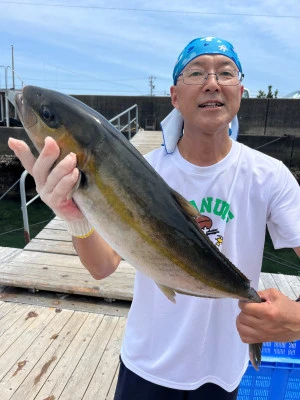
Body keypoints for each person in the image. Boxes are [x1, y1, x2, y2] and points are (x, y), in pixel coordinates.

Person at [8, 36, 300, 400]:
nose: (212, 82)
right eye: (196, 72)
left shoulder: (270, 176)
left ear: (240, 91)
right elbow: (102, 268)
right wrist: (75, 219)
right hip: (146, 364)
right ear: (175, 96)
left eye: (225, 73)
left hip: (222, 371)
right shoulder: (145, 169)